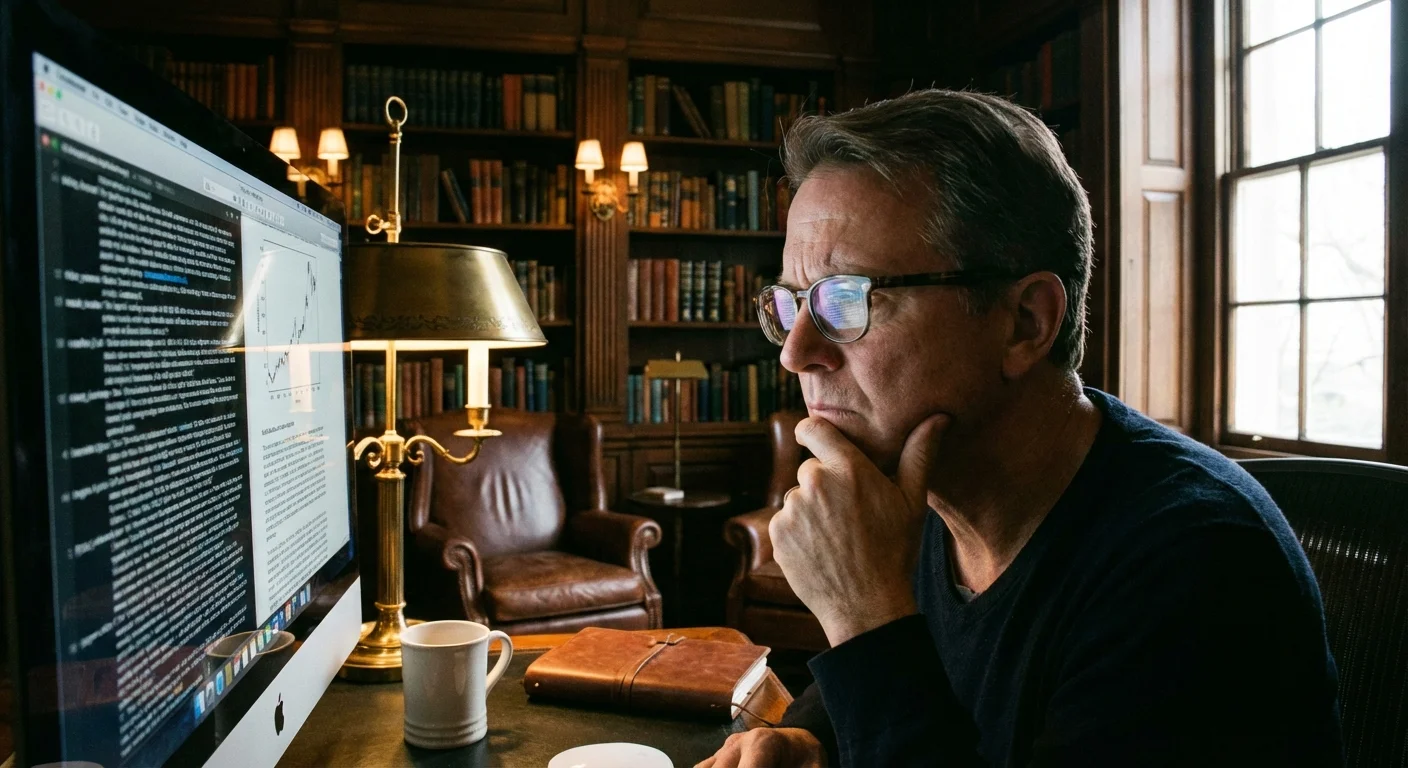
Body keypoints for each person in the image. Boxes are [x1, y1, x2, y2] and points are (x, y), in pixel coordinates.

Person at [697, 89, 1342, 768]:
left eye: (847, 298)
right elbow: (926, 684)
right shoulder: (933, 487)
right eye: (792, 304)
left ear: (1025, 323)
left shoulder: (1193, 567)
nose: (796, 352)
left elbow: (898, 666)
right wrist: (811, 740)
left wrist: (865, 618)